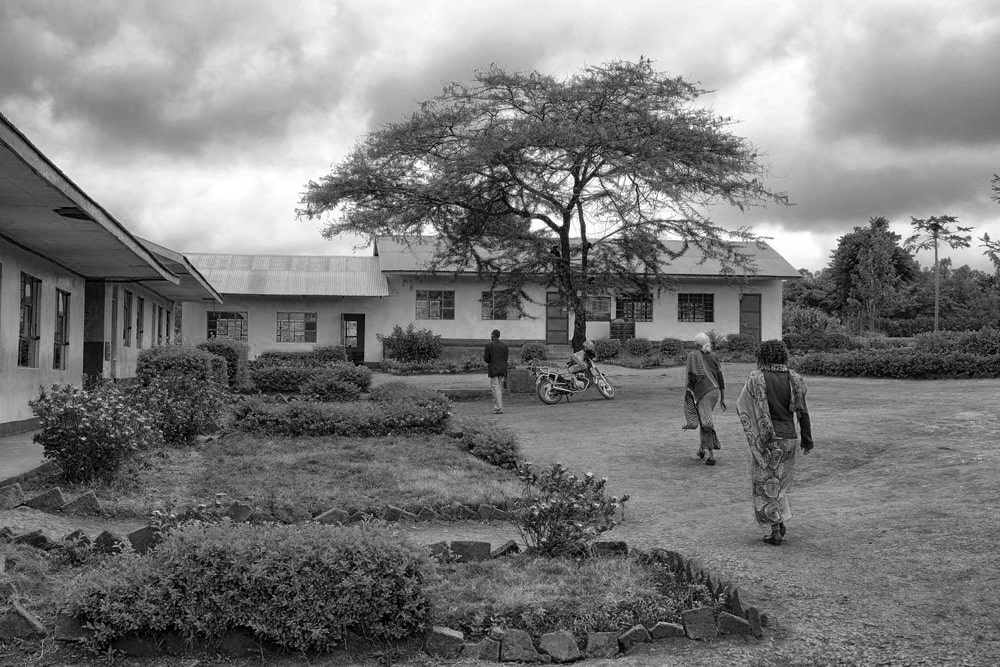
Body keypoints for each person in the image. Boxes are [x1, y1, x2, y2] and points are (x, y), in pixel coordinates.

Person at [736, 339, 813, 546]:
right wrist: (807, 438)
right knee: (780, 485)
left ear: (763, 356)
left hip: (768, 441)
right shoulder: (794, 379)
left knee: (767, 484)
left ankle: (776, 529)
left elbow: (742, 405)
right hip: (789, 439)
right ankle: (781, 520)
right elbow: (802, 411)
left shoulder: (756, 378)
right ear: (782, 355)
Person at [684, 332, 727, 466]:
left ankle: (711, 455)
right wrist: (723, 398)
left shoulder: (693, 356)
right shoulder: (713, 356)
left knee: (706, 422)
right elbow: (720, 377)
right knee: (704, 420)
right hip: (715, 392)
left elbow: (691, 377)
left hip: (704, 392)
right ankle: (701, 449)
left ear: (697, 344)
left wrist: (689, 393)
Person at [483, 329, 509, 414]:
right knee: (499, 389)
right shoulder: (505, 345)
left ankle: (499, 407)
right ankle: (497, 407)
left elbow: (486, 359)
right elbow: (506, 358)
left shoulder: (488, 345)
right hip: (502, 369)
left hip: (493, 369)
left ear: (492, 335)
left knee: (495, 389)